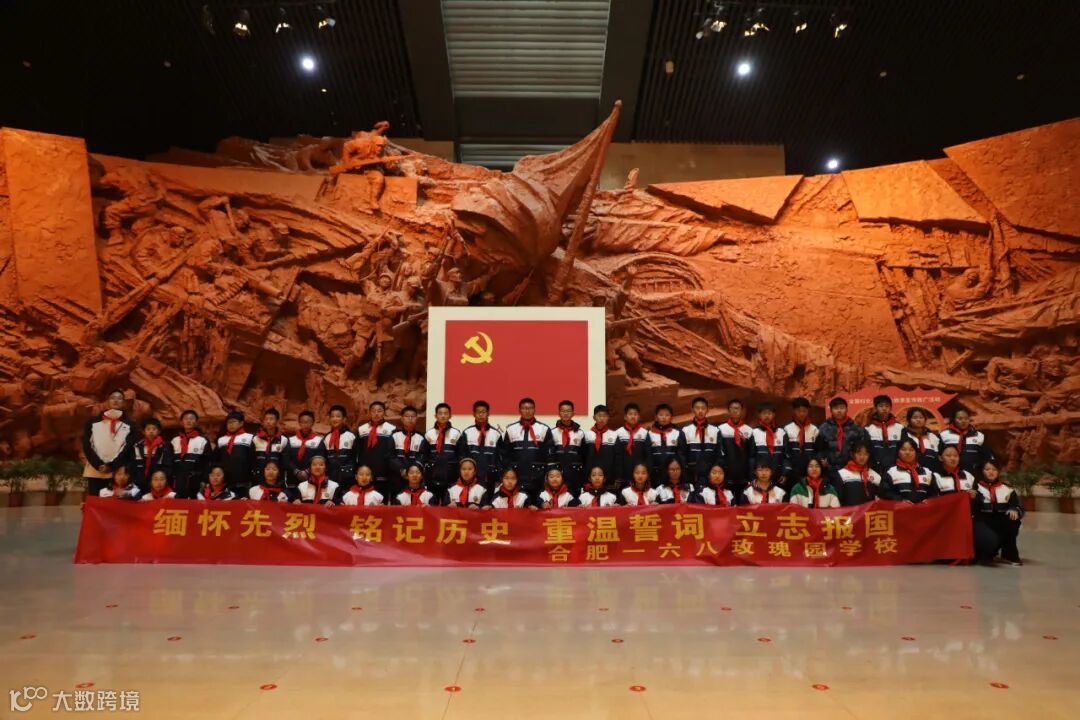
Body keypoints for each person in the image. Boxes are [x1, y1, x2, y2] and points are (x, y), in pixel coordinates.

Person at [81, 389, 135, 497]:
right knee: (96, 503)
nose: (116, 400)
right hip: (95, 470)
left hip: (117, 473)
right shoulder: (93, 422)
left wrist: (112, 466)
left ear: (123, 402)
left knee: (115, 504)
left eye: (119, 398)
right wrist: (98, 464)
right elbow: (86, 445)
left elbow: (128, 448)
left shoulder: (131, 425)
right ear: (107, 401)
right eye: (113, 398)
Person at [973, 460, 1023, 566]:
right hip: (982, 521)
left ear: (998, 472)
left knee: (1012, 520)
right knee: (987, 540)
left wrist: (1014, 509)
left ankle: (1008, 554)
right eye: (987, 469)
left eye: (994, 469)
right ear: (982, 471)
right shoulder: (975, 488)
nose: (991, 472)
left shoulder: (1007, 489)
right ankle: (985, 553)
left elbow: (1018, 506)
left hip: (1001, 522)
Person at [502, 397, 552, 496]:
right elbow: (505, 456)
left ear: (534, 410)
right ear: (519, 410)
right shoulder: (511, 429)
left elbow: (549, 456)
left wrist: (546, 477)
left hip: (538, 480)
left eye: (530, 408)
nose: (527, 411)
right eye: (524, 408)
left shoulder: (544, 429)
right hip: (516, 479)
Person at [355, 400, 397, 498]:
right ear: (370, 413)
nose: (376, 413)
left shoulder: (392, 429)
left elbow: (392, 453)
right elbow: (358, 451)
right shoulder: (362, 429)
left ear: (384, 412)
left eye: (379, 411)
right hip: (365, 474)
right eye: (373, 411)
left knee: (381, 501)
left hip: (383, 472)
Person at [456, 400, 502, 489]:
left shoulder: (496, 434)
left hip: (490, 479)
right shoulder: (467, 432)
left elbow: (499, 459)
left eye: (483, 412)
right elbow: (462, 456)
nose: (481, 414)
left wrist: (498, 477)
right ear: (474, 414)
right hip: (471, 479)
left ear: (488, 413)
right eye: (478, 412)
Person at [817, 397, 865, 480]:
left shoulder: (855, 428)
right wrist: (821, 460)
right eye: (836, 408)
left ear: (847, 409)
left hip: (851, 468)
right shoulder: (824, 427)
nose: (839, 411)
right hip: (829, 469)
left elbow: (861, 448)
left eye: (842, 408)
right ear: (831, 410)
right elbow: (819, 448)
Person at [939, 407, 995, 476]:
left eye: (966, 418)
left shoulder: (979, 436)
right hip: (949, 474)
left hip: (974, 474)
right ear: (953, 419)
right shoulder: (944, 435)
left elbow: (988, 457)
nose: (963, 421)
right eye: (960, 419)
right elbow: (939, 456)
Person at [681, 396, 722, 487]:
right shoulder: (685, 430)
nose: (700, 411)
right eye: (697, 408)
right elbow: (682, 455)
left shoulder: (715, 430)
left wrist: (714, 473)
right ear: (692, 410)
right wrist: (686, 473)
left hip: (711, 478)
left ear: (707, 410)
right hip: (691, 477)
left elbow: (718, 455)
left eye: (703, 408)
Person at [424, 403, 461, 500]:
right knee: (432, 504)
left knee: (448, 503)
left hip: (451, 477)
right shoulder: (429, 434)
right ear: (435, 416)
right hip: (433, 476)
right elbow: (425, 455)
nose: (443, 416)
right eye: (440, 413)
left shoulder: (456, 433)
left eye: (445, 413)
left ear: (450, 415)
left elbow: (460, 455)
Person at [171, 409, 211, 499]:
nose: (188, 421)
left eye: (191, 418)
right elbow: (170, 461)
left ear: (196, 422)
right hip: (177, 481)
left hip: (196, 481)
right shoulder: (174, 440)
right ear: (181, 422)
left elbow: (207, 463)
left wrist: (204, 480)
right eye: (186, 418)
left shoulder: (203, 440)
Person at [718, 398, 754, 496]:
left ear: (741, 411)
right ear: (728, 410)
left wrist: (750, 475)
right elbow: (719, 453)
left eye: (737, 408)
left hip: (744, 475)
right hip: (727, 474)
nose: (735, 411)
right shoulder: (721, 429)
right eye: (732, 408)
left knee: (743, 502)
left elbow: (751, 455)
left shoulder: (749, 430)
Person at [881, 438, 936, 503]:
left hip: (924, 508)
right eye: (903, 449)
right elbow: (885, 493)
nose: (907, 452)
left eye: (911, 450)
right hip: (900, 508)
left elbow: (934, 493)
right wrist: (900, 500)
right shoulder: (891, 472)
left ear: (916, 452)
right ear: (898, 452)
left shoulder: (927, 472)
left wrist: (929, 500)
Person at [549, 400, 586, 494]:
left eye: (568, 411)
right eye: (563, 411)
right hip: (557, 476)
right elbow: (550, 456)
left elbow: (583, 455)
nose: (565, 413)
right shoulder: (552, 432)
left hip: (575, 475)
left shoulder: (580, 433)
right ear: (559, 413)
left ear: (573, 413)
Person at [750, 402, 789, 489]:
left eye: (769, 413)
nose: (767, 416)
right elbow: (751, 458)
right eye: (764, 413)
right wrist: (752, 476)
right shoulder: (754, 433)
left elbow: (786, 456)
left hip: (778, 475)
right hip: (761, 476)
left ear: (774, 415)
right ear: (759, 415)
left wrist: (784, 473)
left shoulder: (781, 432)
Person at [215, 410, 254, 496]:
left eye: (234, 422)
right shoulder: (221, 440)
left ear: (241, 423)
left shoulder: (250, 437)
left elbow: (253, 458)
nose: (231, 424)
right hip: (225, 482)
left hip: (244, 481)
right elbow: (216, 459)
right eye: (229, 422)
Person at [864, 394, 904, 474]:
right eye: (881, 406)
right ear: (875, 408)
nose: (884, 408)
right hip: (875, 470)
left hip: (897, 469)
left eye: (887, 406)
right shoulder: (868, 428)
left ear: (890, 408)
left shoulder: (900, 428)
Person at [782, 397, 818, 485]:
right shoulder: (787, 429)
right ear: (794, 411)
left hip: (810, 471)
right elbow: (785, 452)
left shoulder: (814, 429)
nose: (801, 413)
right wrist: (787, 470)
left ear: (808, 411)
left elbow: (817, 451)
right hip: (793, 471)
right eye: (798, 410)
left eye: (804, 410)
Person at [131, 417, 173, 493]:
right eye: (148, 429)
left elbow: (168, 466)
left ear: (159, 431)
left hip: (158, 482)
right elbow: (134, 464)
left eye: (154, 429)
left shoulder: (165, 446)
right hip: (141, 481)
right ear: (143, 431)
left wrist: (160, 480)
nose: (151, 431)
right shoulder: (137, 446)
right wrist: (137, 479)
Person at [613, 403, 650, 489]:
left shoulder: (644, 433)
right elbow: (617, 456)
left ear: (639, 417)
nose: (633, 416)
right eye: (630, 414)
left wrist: (646, 474)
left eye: (635, 414)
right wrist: (618, 476)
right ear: (625, 417)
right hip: (623, 476)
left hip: (640, 476)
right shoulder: (618, 433)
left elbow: (648, 456)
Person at [646, 403, 684, 486]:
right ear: (656, 417)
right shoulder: (649, 434)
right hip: (655, 475)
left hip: (673, 475)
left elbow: (681, 456)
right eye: (661, 415)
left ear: (671, 417)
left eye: (667, 415)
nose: (664, 417)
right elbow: (648, 456)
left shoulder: (677, 433)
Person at [252, 408, 289, 489]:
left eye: (271, 419)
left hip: (277, 480)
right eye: (266, 419)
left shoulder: (284, 439)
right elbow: (251, 459)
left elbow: (285, 462)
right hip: (258, 478)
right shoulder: (256, 438)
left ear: (277, 421)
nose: (268, 422)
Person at [583, 404, 618, 487]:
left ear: (608, 417)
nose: (602, 418)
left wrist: (616, 477)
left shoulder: (614, 435)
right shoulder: (587, 435)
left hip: (609, 476)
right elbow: (584, 457)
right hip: (591, 477)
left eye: (604, 416)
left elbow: (617, 458)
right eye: (599, 416)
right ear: (594, 417)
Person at [286, 409, 323, 487]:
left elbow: (320, 458)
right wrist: (296, 471)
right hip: (292, 478)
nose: (305, 424)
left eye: (308, 422)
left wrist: (307, 471)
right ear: (299, 423)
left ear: (313, 423)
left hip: (311, 479)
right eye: (303, 422)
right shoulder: (291, 440)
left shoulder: (318, 441)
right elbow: (286, 459)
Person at [392, 405, 428, 484]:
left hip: (414, 477)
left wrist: (412, 471)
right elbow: (390, 456)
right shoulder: (394, 436)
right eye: (407, 416)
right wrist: (401, 469)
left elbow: (422, 456)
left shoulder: (421, 437)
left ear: (416, 419)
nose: (410, 419)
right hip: (396, 475)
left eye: (413, 416)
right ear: (402, 419)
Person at [323, 405, 358, 486]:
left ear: (344, 419)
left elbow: (357, 457)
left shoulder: (351, 436)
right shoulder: (326, 438)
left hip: (348, 478)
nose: (335, 419)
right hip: (331, 478)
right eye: (332, 416)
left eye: (338, 416)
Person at [899, 408, 942, 473]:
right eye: (915, 418)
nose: (918, 420)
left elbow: (940, 455)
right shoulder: (903, 435)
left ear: (925, 419)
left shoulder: (932, 436)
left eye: (921, 417)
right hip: (910, 471)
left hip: (933, 471)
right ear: (909, 419)